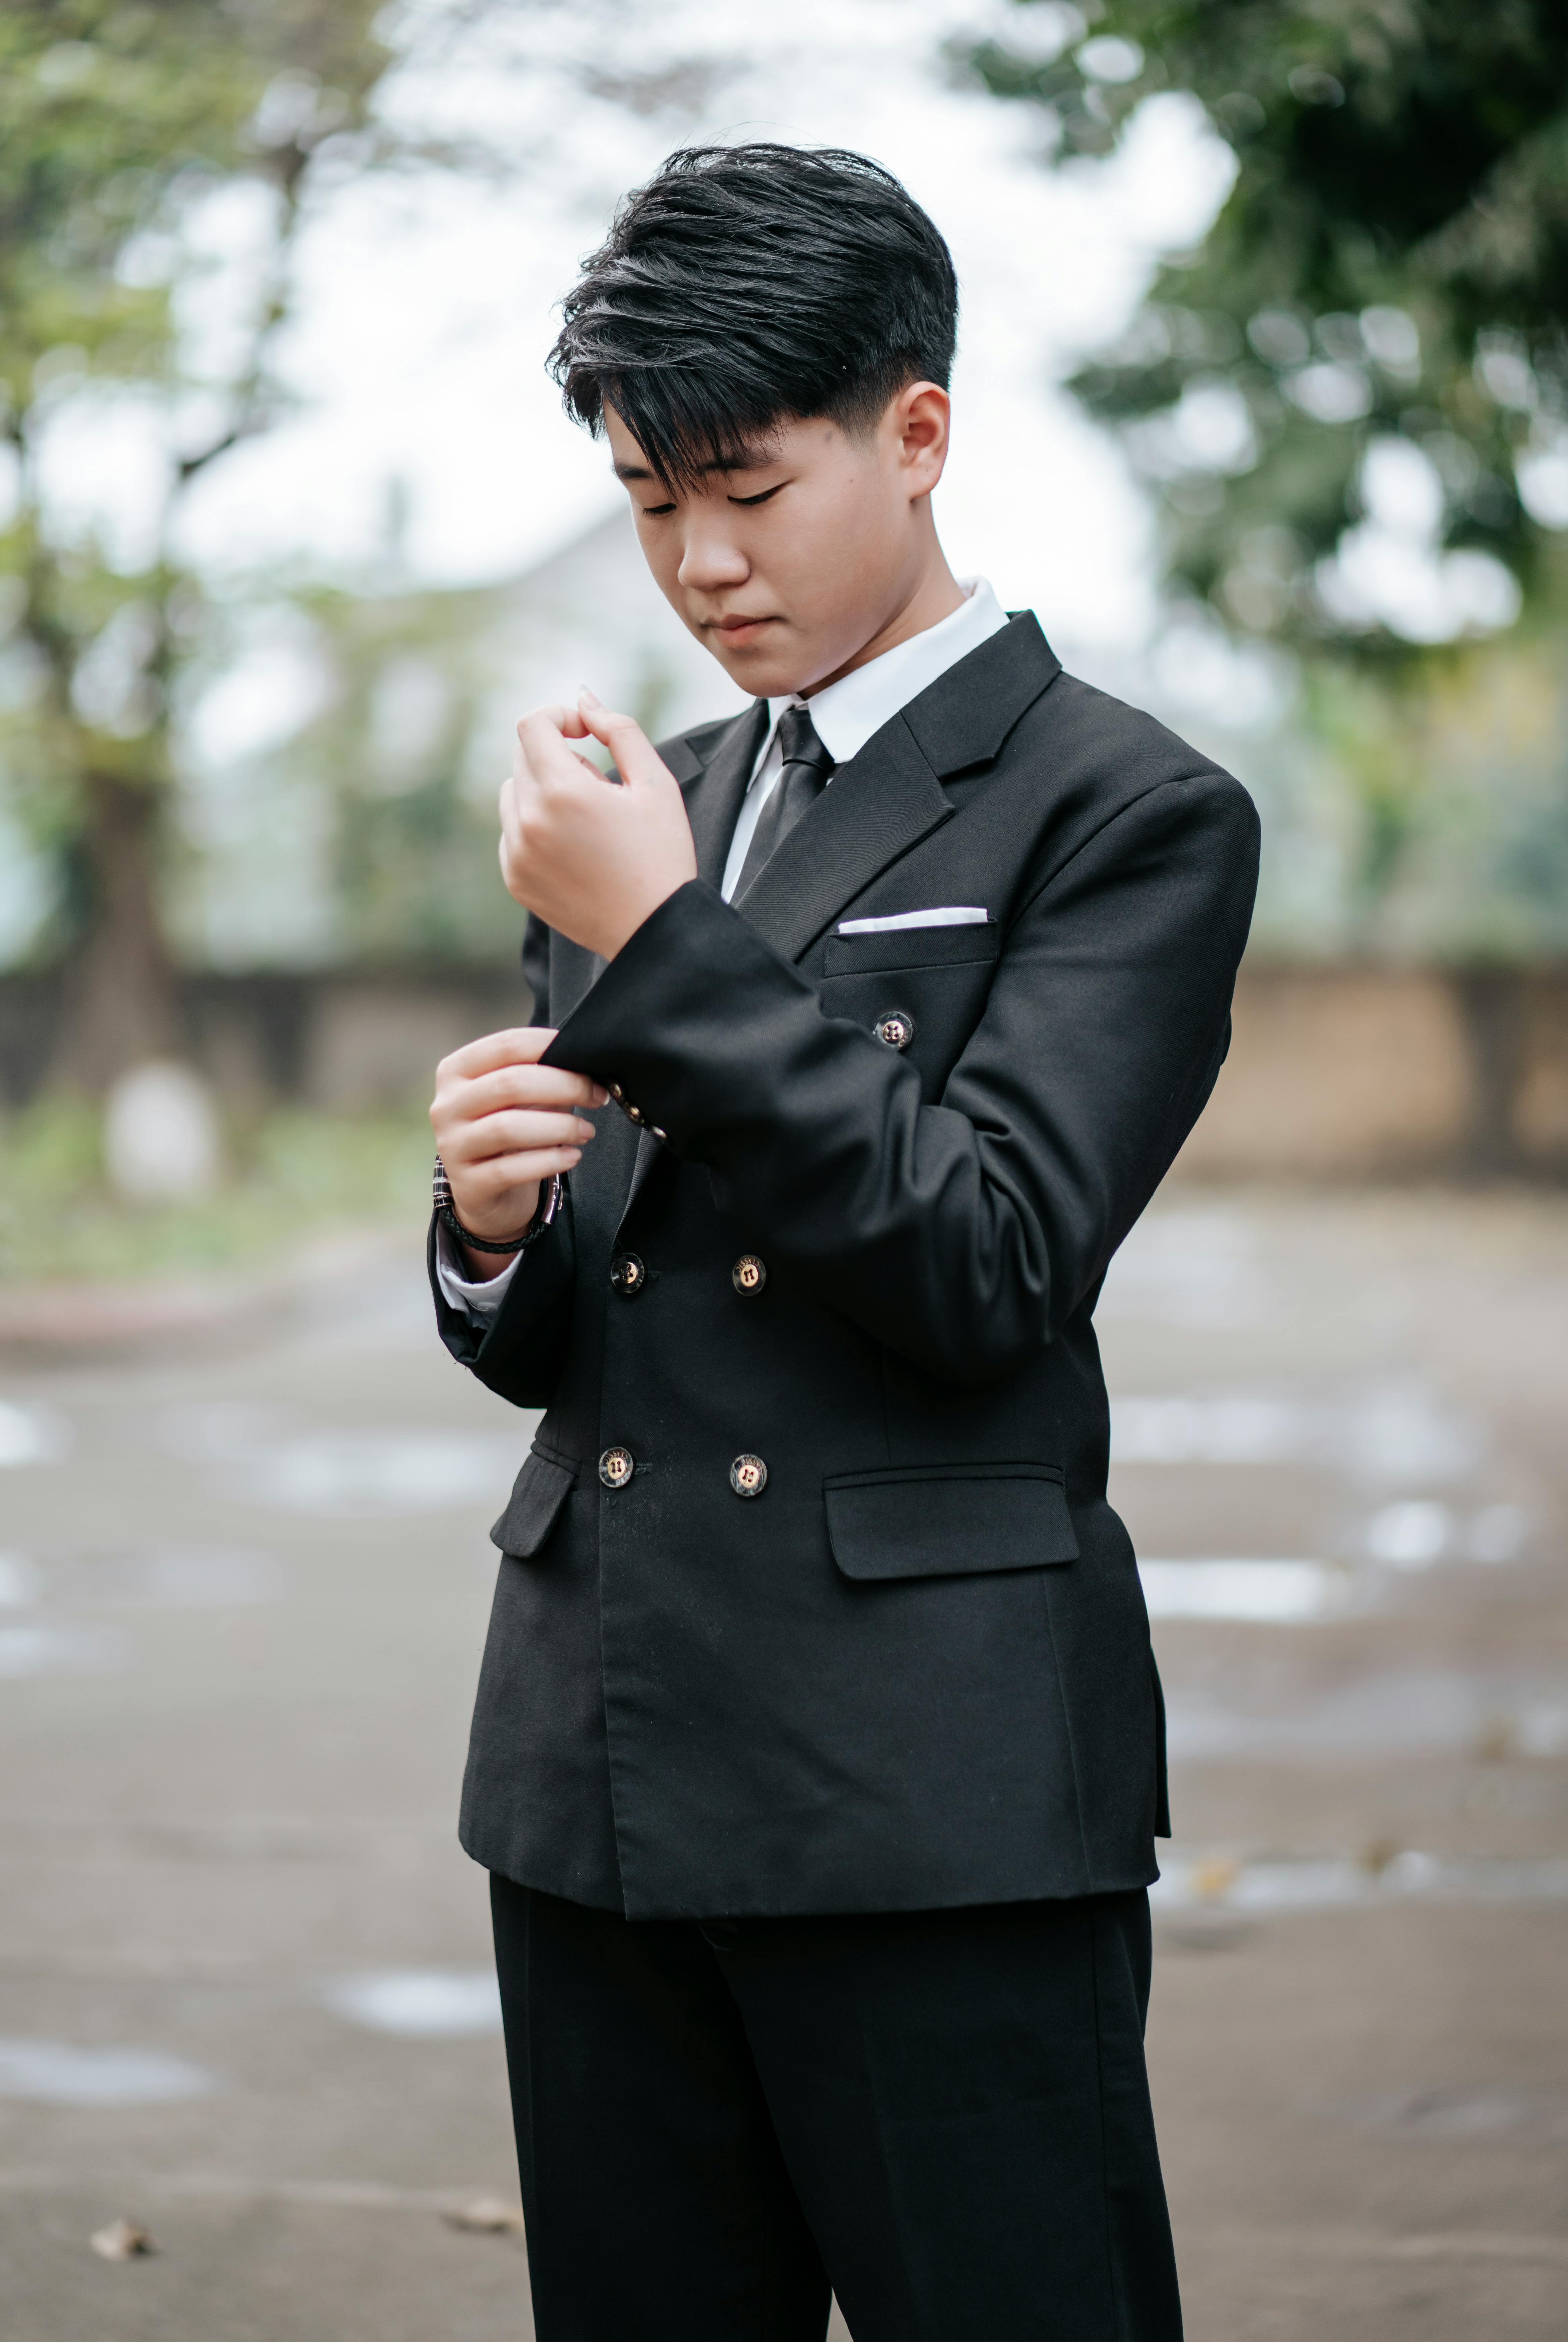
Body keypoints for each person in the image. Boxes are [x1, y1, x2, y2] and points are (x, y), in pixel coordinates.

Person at [427, 143, 1258, 2342]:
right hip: (592, 1776)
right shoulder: (653, 798)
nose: (697, 562)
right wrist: (490, 1224)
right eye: (645, 497)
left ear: (918, 430)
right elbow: (570, 1330)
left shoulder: (1128, 807)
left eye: (749, 488)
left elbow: (988, 1261)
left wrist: (665, 943)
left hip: (933, 1795)